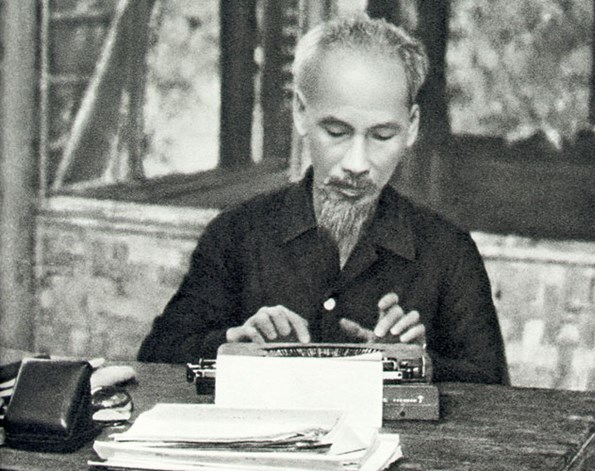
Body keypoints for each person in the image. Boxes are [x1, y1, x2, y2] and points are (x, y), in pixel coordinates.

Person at [138, 15, 509, 385]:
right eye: (336, 132)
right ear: (301, 113)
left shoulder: (449, 252)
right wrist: (236, 345)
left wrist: (416, 365)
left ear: (411, 126)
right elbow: (158, 359)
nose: (356, 164)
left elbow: (495, 392)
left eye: (382, 136)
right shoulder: (235, 236)